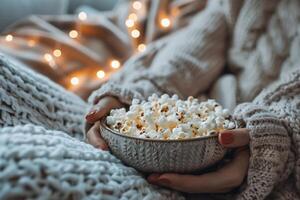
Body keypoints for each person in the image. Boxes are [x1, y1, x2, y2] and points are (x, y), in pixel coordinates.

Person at [85, 0, 300, 199]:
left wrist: (279, 138)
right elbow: (195, 49)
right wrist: (140, 94)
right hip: (200, 116)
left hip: (258, 150)